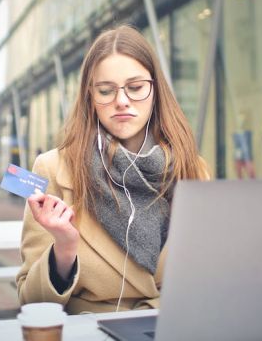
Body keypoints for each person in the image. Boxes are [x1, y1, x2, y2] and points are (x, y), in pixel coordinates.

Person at [16, 25, 209, 314]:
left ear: (156, 90)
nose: (121, 101)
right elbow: (31, 300)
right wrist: (64, 249)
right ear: (90, 98)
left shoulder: (193, 168)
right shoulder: (52, 168)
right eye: (106, 90)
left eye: (135, 88)